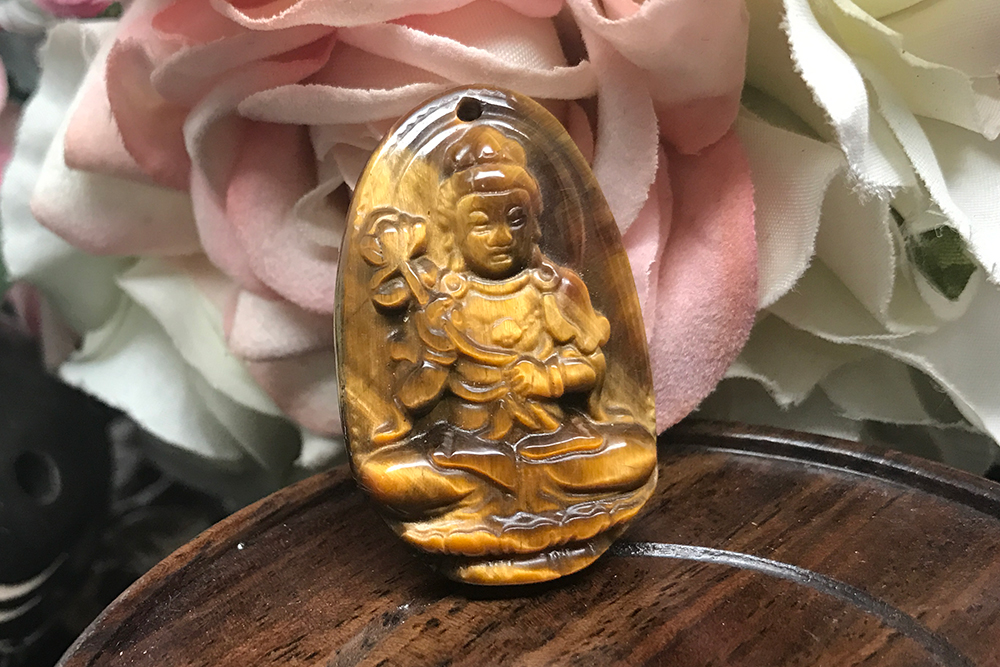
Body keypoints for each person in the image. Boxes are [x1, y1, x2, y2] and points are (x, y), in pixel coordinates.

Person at [355, 126, 655, 551]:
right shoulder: (441, 305)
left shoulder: (555, 290)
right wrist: (436, 360)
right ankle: (518, 505)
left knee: (635, 451)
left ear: (534, 226)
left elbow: (592, 367)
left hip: (556, 444)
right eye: (481, 224)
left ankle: (492, 511)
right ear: (452, 233)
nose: (502, 237)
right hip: (468, 451)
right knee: (385, 475)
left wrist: (548, 379)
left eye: (516, 220)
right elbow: (412, 399)